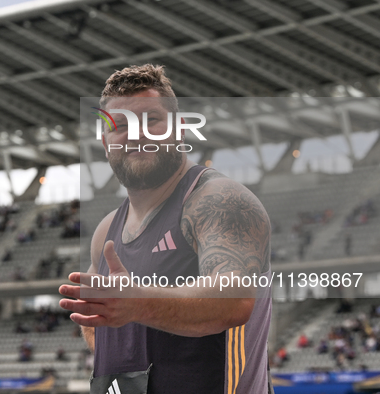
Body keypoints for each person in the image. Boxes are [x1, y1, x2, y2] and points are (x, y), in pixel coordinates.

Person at [58, 65, 272, 394]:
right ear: (105, 141)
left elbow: (235, 299)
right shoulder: (106, 233)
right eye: (120, 126)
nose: (136, 134)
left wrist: (138, 303)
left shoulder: (219, 201)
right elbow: (99, 322)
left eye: (151, 120)